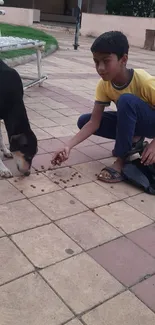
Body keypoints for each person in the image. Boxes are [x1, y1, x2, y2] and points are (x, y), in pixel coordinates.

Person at [52, 31, 155, 183]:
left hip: (152, 125)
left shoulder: (144, 81)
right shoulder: (104, 85)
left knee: (126, 101)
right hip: (136, 122)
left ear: (123, 59)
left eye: (106, 61)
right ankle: (135, 141)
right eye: (96, 61)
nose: (100, 68)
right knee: (84, 120)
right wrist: (68, 146)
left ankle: (121, 161)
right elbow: (94, 122)